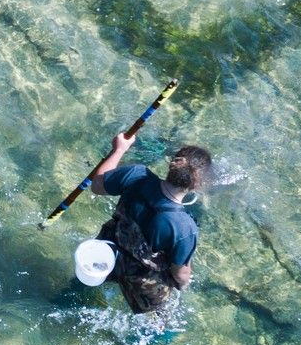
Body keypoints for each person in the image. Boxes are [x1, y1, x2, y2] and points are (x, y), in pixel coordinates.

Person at [90, 132, 212, 313]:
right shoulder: (184, 228)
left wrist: (119, 150)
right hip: (141, 280)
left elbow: (97, 185)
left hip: (108, 250)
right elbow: (180, 273)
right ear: (198, 185)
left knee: (88, 280)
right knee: (162, 320)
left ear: (172, 164)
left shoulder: (137, 175)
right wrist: (184, 286)